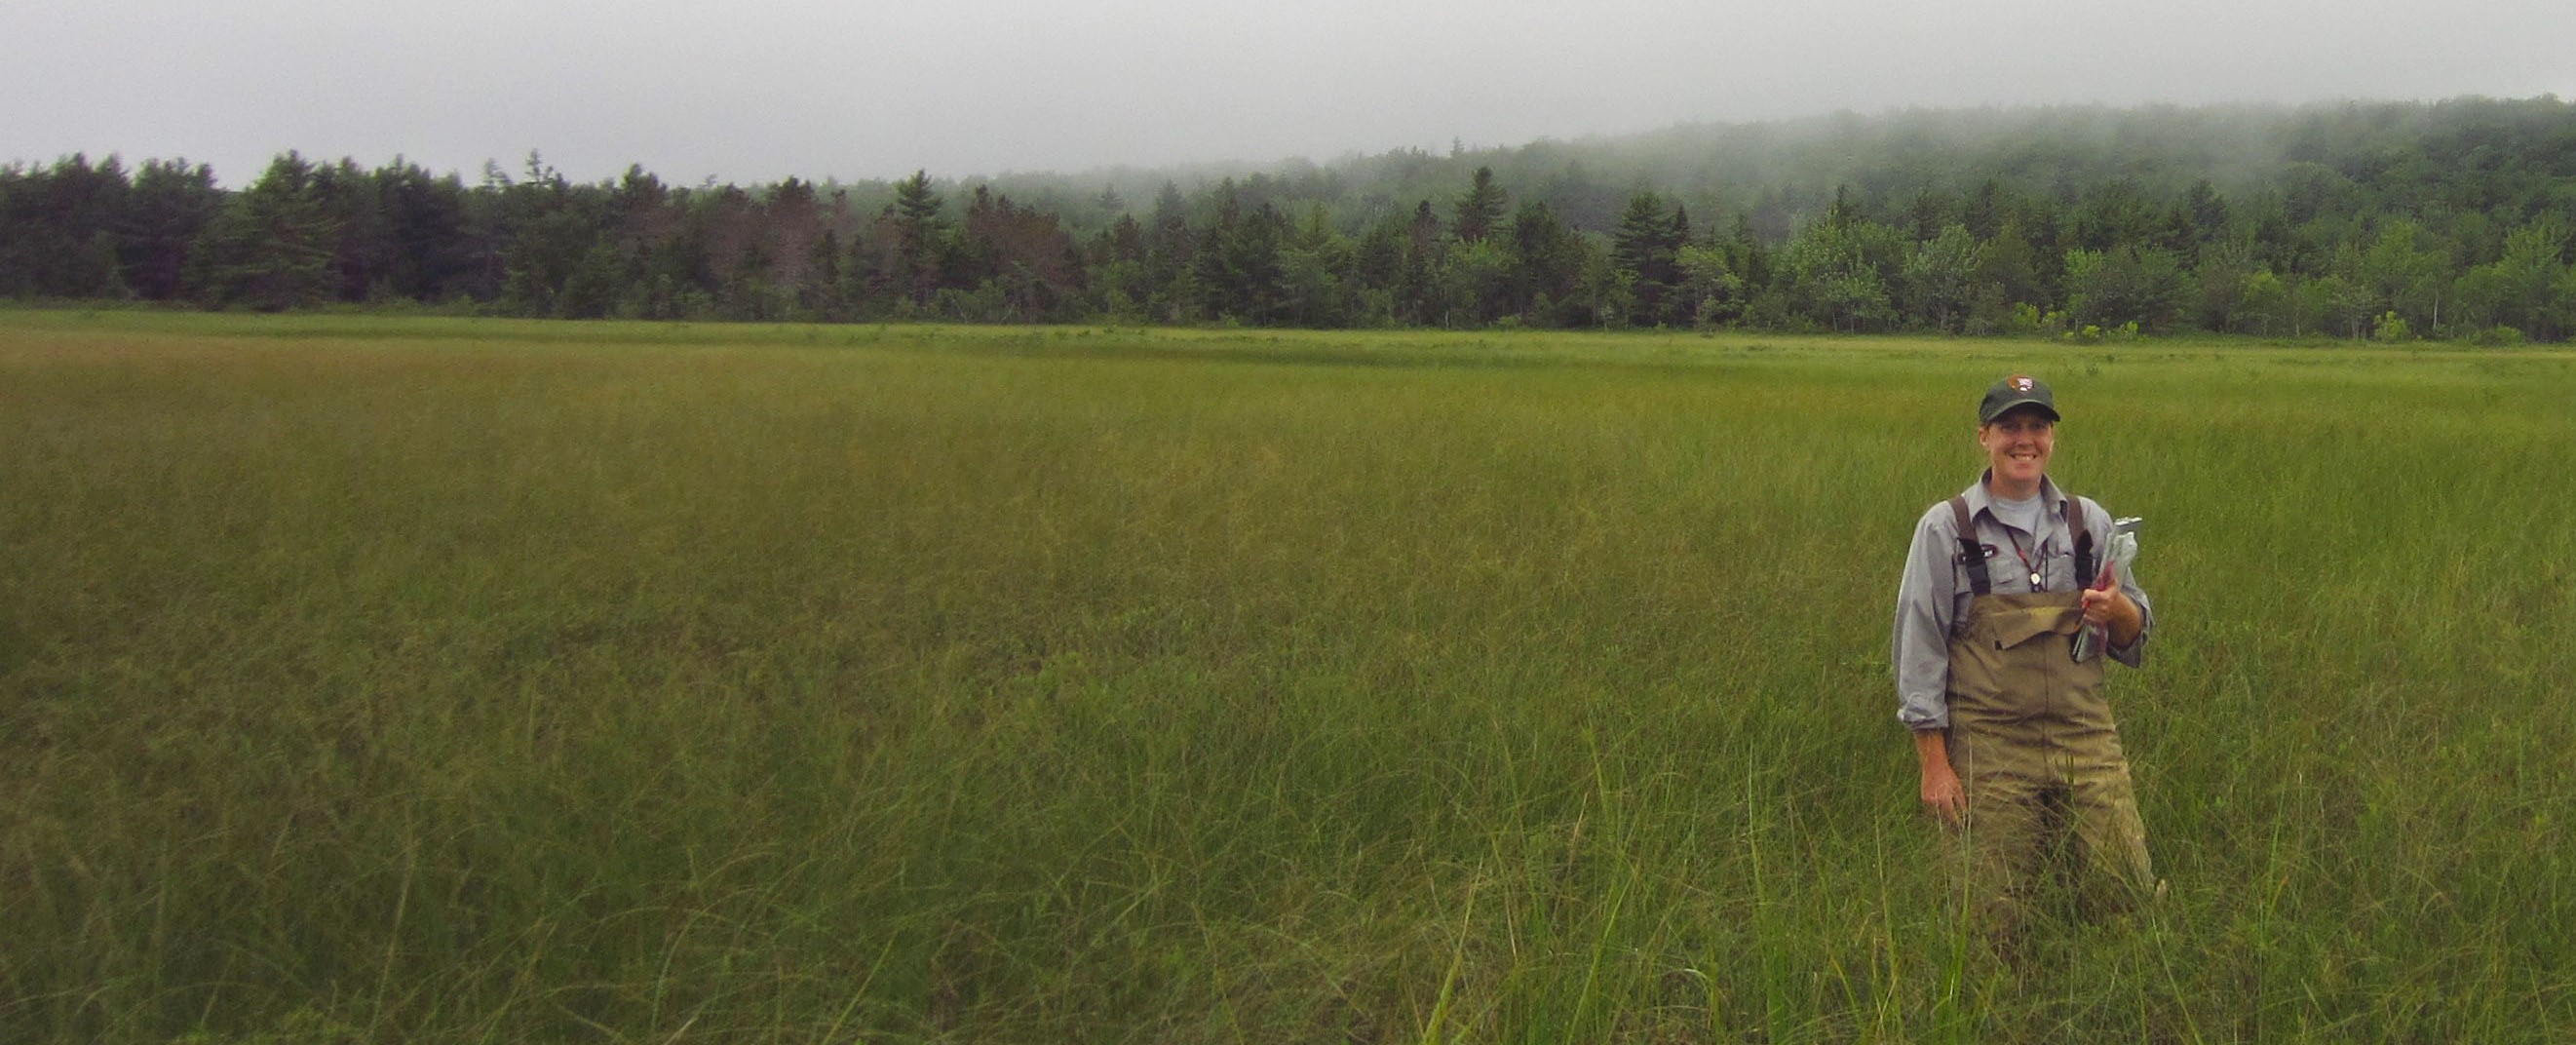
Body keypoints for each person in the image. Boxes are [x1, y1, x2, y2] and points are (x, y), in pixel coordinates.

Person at [1891, 374, 2158, 946]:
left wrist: (2116, 611)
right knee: (1989, 914)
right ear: (1983, 437)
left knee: (2125, 893)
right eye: (2010, 426)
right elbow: (1920, 647)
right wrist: (1934, 765)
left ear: (2052, 439)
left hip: (2085, 736)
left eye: (2037, 426)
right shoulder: (1946, 527)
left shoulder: (2090, 523)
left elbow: (2137, 630)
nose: (2024, 440)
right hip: (1990, 743)